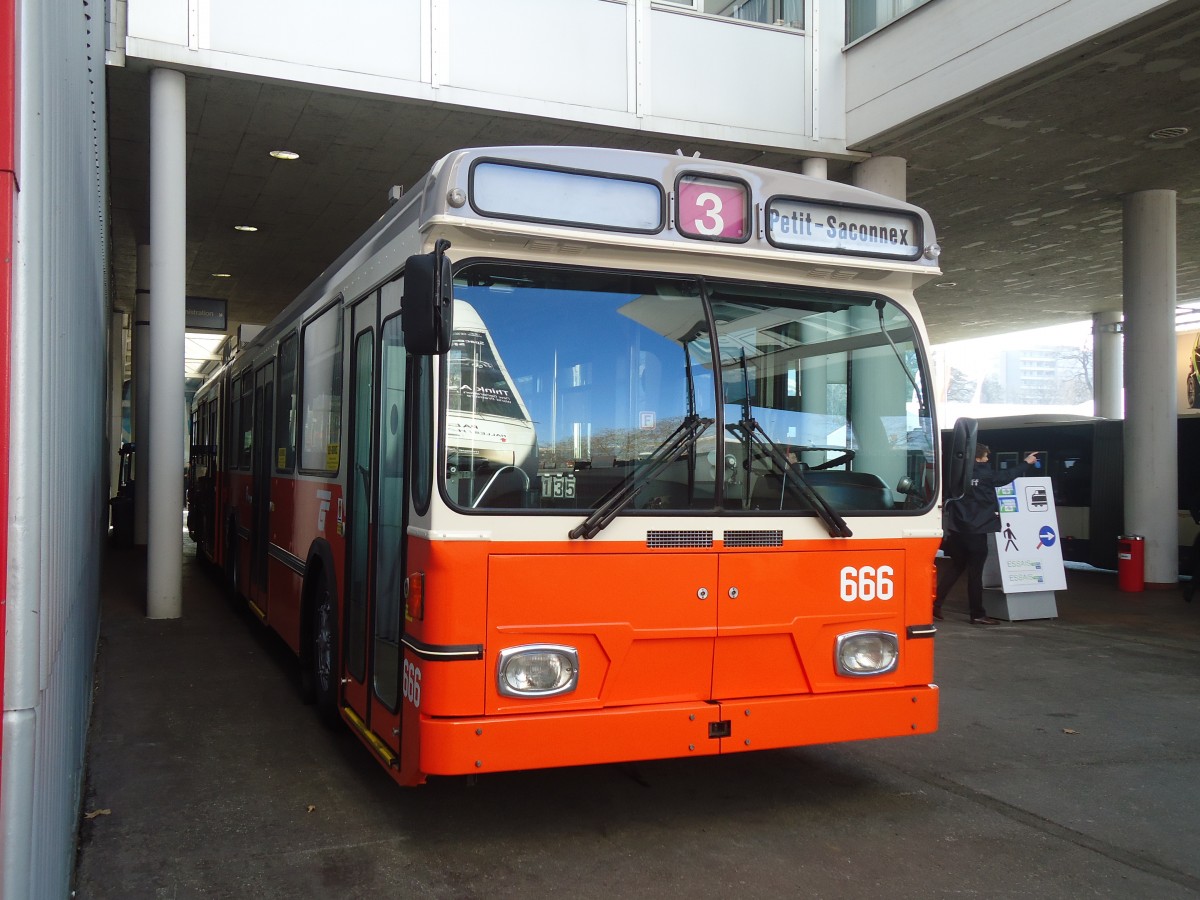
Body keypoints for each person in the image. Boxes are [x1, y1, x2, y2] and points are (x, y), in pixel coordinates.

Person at [934, 443, 1039, 625]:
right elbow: (1007, 476)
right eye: (985, 457)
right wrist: (1027, 462)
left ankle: (935, 605)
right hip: (977, 529)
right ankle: (977, 613)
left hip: (957, 529)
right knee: (975, 573)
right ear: (977, 458)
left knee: (956, 567)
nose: (987, 459)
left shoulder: (956, 475)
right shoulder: (985, 474)